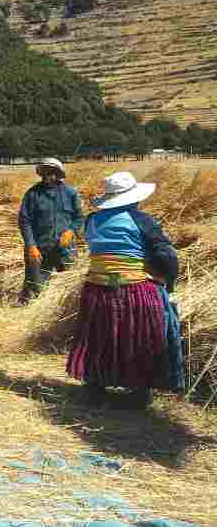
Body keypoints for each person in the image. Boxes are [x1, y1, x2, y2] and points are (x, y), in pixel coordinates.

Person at [66, 172, 181, 408]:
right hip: (133, 289)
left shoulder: (92, 220)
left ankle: (95, 387)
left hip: (96, 288)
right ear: (133, 197)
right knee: (138, 336)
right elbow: (165, 254)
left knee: (99, 337)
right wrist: (167, 280)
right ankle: (139, 391)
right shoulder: (141, 220)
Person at [18, 157, 83, 302]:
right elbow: (24, 221)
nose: (49, 175)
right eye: (45, 172)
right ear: (41, 174)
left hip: (65, 249)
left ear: (59, 173)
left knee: (70, 289)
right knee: (34, 290)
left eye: (53, 172)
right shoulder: (32, 194)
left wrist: (71, 231)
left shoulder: (70, 193)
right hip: (39, 249)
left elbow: (79, 218)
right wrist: (31, 246)